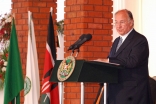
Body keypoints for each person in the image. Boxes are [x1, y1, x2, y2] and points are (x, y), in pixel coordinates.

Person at [95, 9, 153, 104]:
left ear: (131, 22)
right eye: (116, 22)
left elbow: (133, 61)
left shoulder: (140, 40)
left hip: (133, 93)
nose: (118, 26)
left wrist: (108, 60)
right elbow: (113, 62)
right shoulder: (116, 41)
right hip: (115, 92)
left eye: (122, 22)